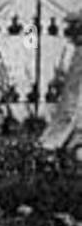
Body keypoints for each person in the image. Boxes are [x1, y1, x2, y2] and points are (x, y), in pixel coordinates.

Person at [41, 10, 82, 159]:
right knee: (70, 105)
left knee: (73, 106)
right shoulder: (75, 50)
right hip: (73, 87)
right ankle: (58, 145)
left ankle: (61, 145)